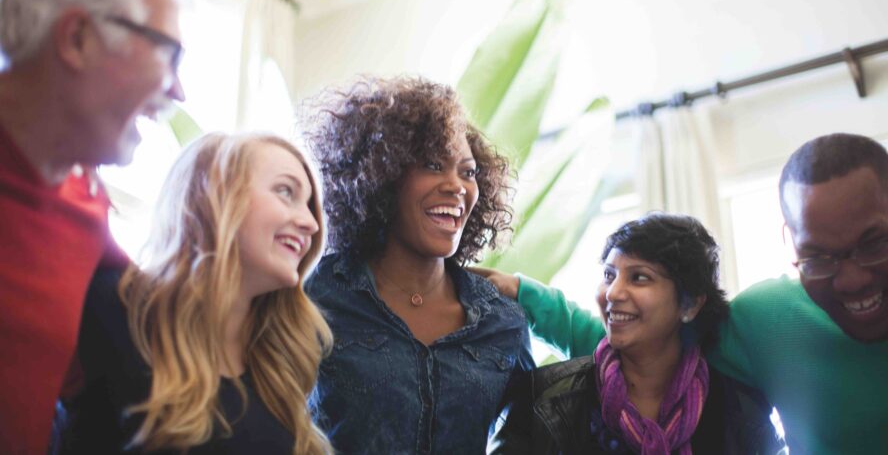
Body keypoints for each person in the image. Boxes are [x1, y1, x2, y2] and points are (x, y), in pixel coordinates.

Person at [484, 132, 888, 454]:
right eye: (818, 258)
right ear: (791, 244)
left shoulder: (736, 412)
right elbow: (653, 355)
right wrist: (525, 294)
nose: (853, 279)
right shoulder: (767, 320)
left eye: (874, 245)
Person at [0, 0, 186, 452]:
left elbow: (148, 303)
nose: (179, 90)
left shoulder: (86, 196)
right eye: (169, 55)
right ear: (77, 37)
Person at [61, 133, 332, 454]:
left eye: (310, 206)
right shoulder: (118, 308)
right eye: (286, 191)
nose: (312, 224)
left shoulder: (280, 361)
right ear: (214, 193)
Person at [304, 76, 534, 454]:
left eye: (468, 171)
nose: (457, 186)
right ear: (383, 174)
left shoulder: (501, 321)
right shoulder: (316, 297)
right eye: (432, 164)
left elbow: (529, 431)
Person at [490, 213, 780, 454]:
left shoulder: (738, 409)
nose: (613, 292)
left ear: (690, 304)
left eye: (639, 277)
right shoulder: (542, 399)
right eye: (608, 275)